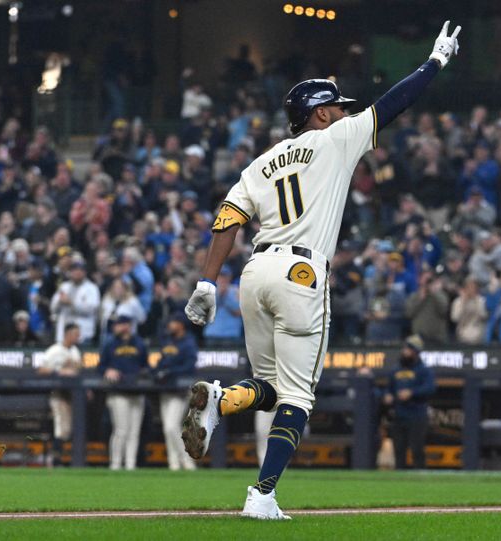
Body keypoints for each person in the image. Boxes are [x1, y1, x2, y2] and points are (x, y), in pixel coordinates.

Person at [180, 21, 461, 519]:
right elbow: (394, 104)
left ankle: (221, 401)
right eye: (335, 105)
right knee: (299, 398)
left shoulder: (261, 162)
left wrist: (206, 279)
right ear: (319, 112)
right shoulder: (336, 138)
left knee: (268, 388)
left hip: (254, 273)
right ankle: (262, 496)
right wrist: (434, 60)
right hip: (301, 275)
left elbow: (228, 217)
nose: (343, 111)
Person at [98, 315, 149, 471]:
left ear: (128, 325)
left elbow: (145, 365)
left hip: (136, 392)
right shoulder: (110, 344)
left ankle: (130, 466)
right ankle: (115, 465)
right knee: (121, 430)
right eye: (117, 325)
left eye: (121, 325)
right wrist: (107, 370)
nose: (118, 328)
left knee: (134, 432)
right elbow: (100, 367)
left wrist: (143, 374)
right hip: (117, 392)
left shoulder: (139, 343)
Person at [154, 312, 198, 471]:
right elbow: (161, 362)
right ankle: (173, 464)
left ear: (180, 325)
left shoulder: (188, 342)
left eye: (173, 323)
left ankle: (187, 461)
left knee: (171, 427)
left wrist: (171, 371)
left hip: (180, 390)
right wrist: (157, 370)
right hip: (166, 389)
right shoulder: (167, 341)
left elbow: (190, 366)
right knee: (169, 428)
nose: (170, 325)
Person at [383, 335, 435, 469]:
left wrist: (412, 393)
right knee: (399, 450)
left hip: (417, 415)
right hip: (399, 415)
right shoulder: (396, 369)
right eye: (405, 348)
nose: (405, 351)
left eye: (408, 349)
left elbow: (430, 388)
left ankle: (420, 479)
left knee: (417, 450)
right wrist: (387, 395)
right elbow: (389, 388)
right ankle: (399, 482)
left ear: (416, 352)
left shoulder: (424, 370)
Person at [38, 322, 82, 466]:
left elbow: (78, 373)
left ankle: (58, 458)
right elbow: (41, 370)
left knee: (67, 429)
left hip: (73, 395)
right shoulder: (54, 350)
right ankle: (54, 460)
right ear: (67, 334)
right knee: (61, 426)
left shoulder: (75, 351)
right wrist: (59, 372)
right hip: (57, 393)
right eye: (76, 334)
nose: (78, 337)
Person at [50, 260, 101, 345]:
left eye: (81, 270)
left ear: (85, 273)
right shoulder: (64, 286)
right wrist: (60, 301)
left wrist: (71, 303)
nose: (77, 272)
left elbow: (92, 309)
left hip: (83, 335)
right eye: (75, 270)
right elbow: (52, 308)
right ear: (70, 272)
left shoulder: (92, 288)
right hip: (63, 335)